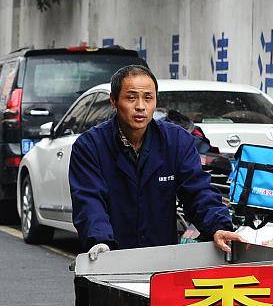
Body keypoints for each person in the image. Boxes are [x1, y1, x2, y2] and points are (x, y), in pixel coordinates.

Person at [69, 64, 244, 260]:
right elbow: (89, 201)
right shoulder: (90, 146)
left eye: (148, 98)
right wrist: (99, 240)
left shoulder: (176, 141)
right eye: (131, 97)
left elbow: (198, 192)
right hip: (109, 257)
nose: (140, 106)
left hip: (162, 259)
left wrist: (218, 227)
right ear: (114, 101)